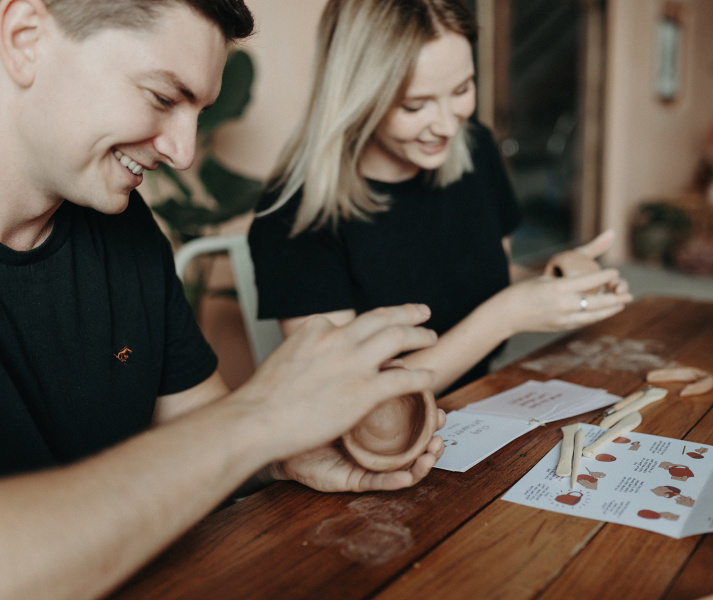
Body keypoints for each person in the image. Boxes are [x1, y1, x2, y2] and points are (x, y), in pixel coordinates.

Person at [0, 1, 445, 598]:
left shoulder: (123, 228)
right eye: (162, 97)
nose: (182, 151)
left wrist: (282, 453)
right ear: (25, 38)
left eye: (198, 111)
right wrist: (259, 420)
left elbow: (196, 421)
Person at [249, 0, 633, 396]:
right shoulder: (295, 212)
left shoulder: (475, 148)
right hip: (384, 438)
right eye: (416, 105)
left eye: (462, 89)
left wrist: (556, 282)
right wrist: (505, 317)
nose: (448, 126)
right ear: (356, 96)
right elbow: (342, 394)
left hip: (481, 397)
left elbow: (490, 277)